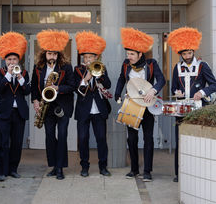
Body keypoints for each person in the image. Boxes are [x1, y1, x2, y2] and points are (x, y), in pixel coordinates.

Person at [115, 27, 166, 182]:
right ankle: (134, 169)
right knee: (131, 139)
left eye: (131, 54)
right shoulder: (125, 64)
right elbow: (121, 79)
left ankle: (148, 171)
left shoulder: (151, 64)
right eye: (128, 54)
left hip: (147, 105)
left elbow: (161, 80)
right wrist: (118, 94)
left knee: (148, 138)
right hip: (132, 105)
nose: (128, 57)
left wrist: (154, 90)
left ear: (140, 54)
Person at [167, 27, 216, 183]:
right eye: (184, 54)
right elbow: (173, 87)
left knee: (197, 139)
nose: (187, 56)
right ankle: (179, 173)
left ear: (193, 51)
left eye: (189, 53)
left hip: (198, 109)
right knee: (180, 140)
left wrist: (202, 92)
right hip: (181, 108)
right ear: (180, 54)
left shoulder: (203, 66)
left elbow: (214, 84)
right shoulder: (177, 67)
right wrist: (176, 92)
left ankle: (198, 172)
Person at [31, 29, 75, 180]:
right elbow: (33, 86)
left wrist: (58, 88)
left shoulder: (66, 67)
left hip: (62, 106)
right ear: (45, 53)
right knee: (49, 136)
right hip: (46, 107)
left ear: (59, 54)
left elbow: (72, 86)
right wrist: (35, 101)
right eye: (50, 53)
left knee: (62, 135)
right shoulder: (38, 68)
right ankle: (54, 166)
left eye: (55, 54)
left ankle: (60, 168)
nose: (52, 56)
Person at [74, 31, 112, 177]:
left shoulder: (102, 68)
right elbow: (77, 90)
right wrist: (87, 77)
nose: (88, 59)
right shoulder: (77, 70)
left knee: (101, 138)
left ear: (96, 57)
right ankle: (84, 166)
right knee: (83, 139)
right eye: (85, 57)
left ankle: (103, 166)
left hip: (99, 109)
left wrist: (99, 75)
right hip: (83, 109)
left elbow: (108, 85)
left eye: (90, 57)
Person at [0, 32, 30, 182]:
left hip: (19, 112)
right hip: (4, 112)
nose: (12, 62)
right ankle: (1, 171)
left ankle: (13, 169)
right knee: (3, 142)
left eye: (14, 59)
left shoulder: (25, 73)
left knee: (16, 142)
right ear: (5, 60)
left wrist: (20, 77)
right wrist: (8, 75)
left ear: (18, 60)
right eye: (9, 59)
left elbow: (27, 91)